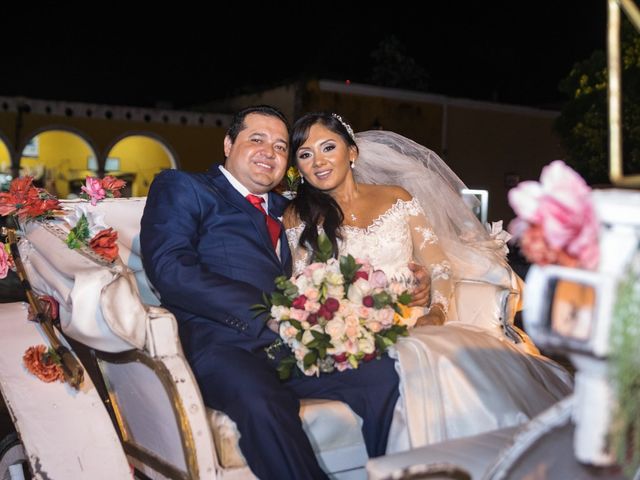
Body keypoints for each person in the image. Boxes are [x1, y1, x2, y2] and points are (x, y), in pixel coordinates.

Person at [139, 105, 431, 480]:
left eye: (280, 147)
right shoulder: (186, 188)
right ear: (228, 143)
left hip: (297, 346)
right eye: (256, 139)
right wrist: (270, 314)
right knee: (263, 402)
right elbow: (170, 269)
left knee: (383, 375)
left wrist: (408, 282)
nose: (270, 152)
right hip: (224, 345)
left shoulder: (296, 210)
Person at [284, 111, 574, 452]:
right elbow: (303, 285)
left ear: (352, 152)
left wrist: (436, 310)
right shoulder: (299, 216)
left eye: (328, 147)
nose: (318, 161)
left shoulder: (398, 198)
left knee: (460, 371)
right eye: (305, 154)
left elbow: (438, 268)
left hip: (416, 319)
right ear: (299, 167)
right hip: (356, 333)